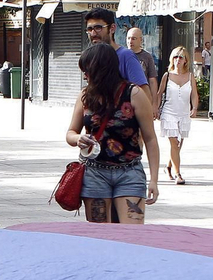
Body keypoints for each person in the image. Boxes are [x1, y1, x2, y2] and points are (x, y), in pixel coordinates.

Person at [65, 42, 158, 224]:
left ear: (102, 69)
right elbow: (70, 132)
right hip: (94, 172)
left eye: (88, 70)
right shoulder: (85, 96)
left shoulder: (134, 94)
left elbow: (150, 138)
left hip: (129, 172)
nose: (85, 76)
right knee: (100, 237)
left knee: (132, 235)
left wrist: (154, 180)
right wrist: (78, 138)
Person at [85, 6, 161, 198]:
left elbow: (143, 92)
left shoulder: (125, 56)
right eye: (90, 29)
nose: (93, 33)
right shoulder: (92, 56)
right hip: (97, 159)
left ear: (112, 28)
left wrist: (139, 135)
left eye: (98, 28)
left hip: (125, 153)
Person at [158, 47, 196, 185]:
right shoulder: (167, 76)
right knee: (174, 142)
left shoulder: (190, 76)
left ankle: (169, 167)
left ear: (186, 60)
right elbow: (159, 93)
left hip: (183, 113)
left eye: (181, 57)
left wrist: (195, 107)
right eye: (175, 57)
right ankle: (178, 174)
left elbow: (194, 94)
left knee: (178, 145)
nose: (178, 60)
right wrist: (155, 109)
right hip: (169, 113)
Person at [125, 27, 159, 92]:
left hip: (142, 94)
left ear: (140, 40)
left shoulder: (147, 57)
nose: (130, 41)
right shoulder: (122, 55)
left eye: (133, 38)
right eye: (128, 38)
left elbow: (152, 80)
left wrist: (154, 100)